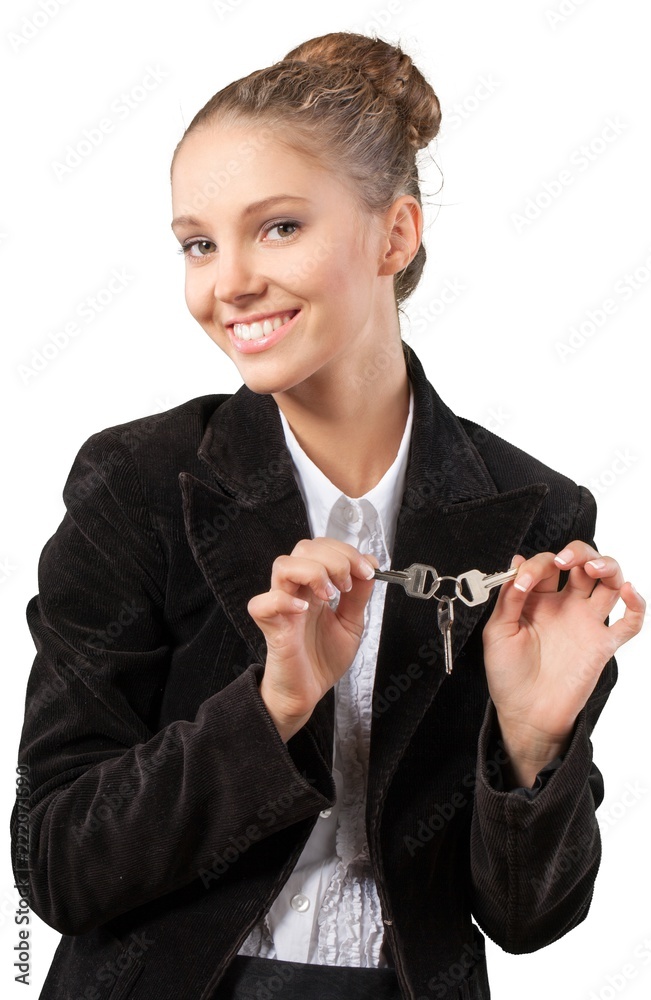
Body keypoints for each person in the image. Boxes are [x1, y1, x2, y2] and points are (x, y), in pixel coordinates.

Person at [10, 30, 644, 1000]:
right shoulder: (136, 485)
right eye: (198, 243)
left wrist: (531, 739)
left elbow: (530, 919)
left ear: (395, 234)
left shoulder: (534, 514)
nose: (228, 283)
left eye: (277, 228)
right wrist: (269, 711)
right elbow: (56, 860)